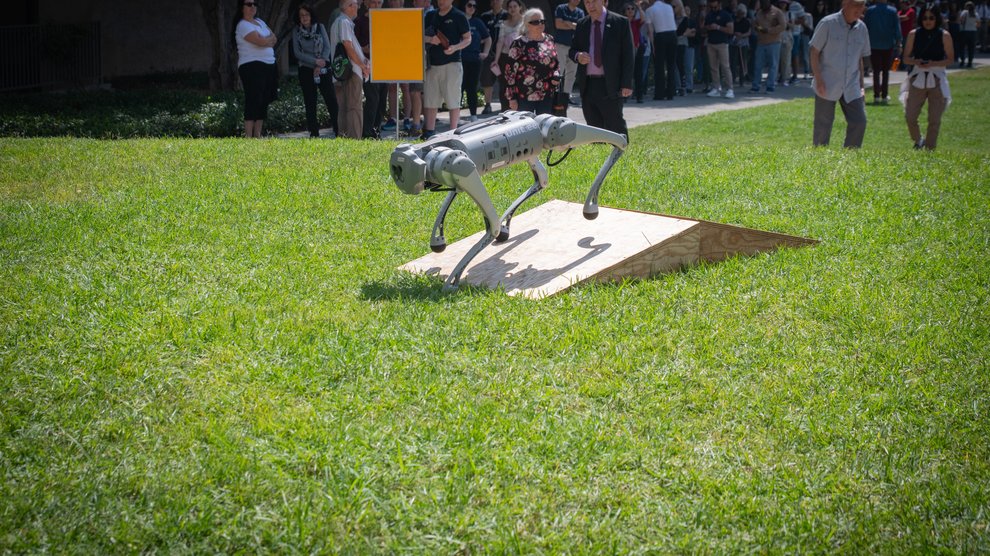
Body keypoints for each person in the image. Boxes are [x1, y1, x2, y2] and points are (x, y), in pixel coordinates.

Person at [809, 0, 871, 148]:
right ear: (845, 4)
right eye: (856, 4)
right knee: (823, 127)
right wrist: (819, 79)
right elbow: (814, 52)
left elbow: (859, 59)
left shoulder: (862, 28)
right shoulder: (828, 23)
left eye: (862, 5)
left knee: (859, 121)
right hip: (827, 82)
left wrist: (861, 86)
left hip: (852, 85)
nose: (860, 9)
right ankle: (819, 160)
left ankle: (850, 157)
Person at [569, 0, 636, 135]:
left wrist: (626, 83)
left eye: (594, 1)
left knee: (615, 125)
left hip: (610, 84)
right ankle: (599, 155)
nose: (590, 6)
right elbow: (572, 50)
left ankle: (620, 152)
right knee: (594, 128)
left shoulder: (620, 22)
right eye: (587, 2)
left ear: (605, 2)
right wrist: (578, 55)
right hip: (588, 84)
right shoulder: (582, 24)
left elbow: (628, 55)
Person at [900, 6, 954, 149]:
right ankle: (918, 140)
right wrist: (916, 62)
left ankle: (930, 148)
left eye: (931, 18)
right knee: (910, 116)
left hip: (937, 78)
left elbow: (950, 59)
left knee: (934, 118)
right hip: (918, 77)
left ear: (937, 18)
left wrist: (934, 64)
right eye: (924, 18)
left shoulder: (944, 35)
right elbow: (905, 58)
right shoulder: (913, 34)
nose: (928, 21)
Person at [423, 0, 472, 138]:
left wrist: (455, 48)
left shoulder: (459, 15)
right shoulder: (430, 15)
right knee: (430, 101)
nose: (441, 2)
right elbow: (419, 35)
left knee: (453, 101)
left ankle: (453, 133)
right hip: (432, 64)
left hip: (452, 63)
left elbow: (468, 39)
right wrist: (430, 39)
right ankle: (430, 132)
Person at [293, 4, 339, 138]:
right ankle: (314, 133)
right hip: (306, 69)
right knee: (310, 101)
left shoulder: (320, 27)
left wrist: (320, 64)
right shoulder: (296, 31)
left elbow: (327, 47)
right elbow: (297, 53)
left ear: (311, 15)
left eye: (306, 14)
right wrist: (314, 62)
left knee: (331, 99)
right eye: (301, 15)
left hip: (323, 67)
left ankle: (338, 130)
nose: (304, 17)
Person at [503, 9, 562, 113]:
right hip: (524, 95)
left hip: (547, 94)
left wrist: (556, 75)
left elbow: (556, 64)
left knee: (545, 127)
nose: (540, 24)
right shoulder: (519, 43)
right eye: (535, 22)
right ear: (527, 25)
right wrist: (511, 98)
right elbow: (510, 73)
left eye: (542, 21)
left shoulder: (550, 39)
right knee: (526, 128)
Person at [234, 0, 278, 138]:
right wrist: (266, 40)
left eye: (254, 4)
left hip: (269, 64)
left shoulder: (260, 22)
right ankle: (248, 136)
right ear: (242, 8)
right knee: (254, 98)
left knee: (264, 99)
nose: (252, 7)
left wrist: (266, 40)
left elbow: (274, 38)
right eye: (248, 4)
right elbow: (261, 41)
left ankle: (257, 135)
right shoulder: (242, 25)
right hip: (252, 65)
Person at [330, 0, 371, 139]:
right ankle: (355, 140)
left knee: (343, 107)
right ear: (349, 7)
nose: (358, 7)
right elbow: (348, 46)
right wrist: (362, 65)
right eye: (356, 4)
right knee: (354, 108)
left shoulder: (337, 22)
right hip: (351, 72)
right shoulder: (344, 22)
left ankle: (344, 139)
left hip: (340, 73)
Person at [355, 0, 387, 138]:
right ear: (367, 3)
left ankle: (376, 130)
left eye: (379, 2)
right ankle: (367, 132)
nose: (377, 5)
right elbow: (353, 45)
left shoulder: (385, 19)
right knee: (372, 99)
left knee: (382, 100)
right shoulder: (359, 22)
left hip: (384, 65)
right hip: (367, 65)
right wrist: (364, 49)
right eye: (374, 2)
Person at [864, 0, 902, 104]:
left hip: (873, 44)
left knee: (876, 71)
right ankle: (884, 95)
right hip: (888, 44)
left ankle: (876, 95)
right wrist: (899, 43)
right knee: (886, 71)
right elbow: (897, 29)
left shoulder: (870, 11)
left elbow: (865, 27)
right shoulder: (892, 11)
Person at [491, 0, 525, 110]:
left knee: (520, 84)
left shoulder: (526, 22)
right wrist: (496, 60)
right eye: (510, 7)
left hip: (522, 58)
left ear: (520, 7)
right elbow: (500, 42)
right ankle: (505, 110)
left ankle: (521, 110)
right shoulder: (503, 24)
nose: (512, 9)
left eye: (515, 6)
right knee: (504, 86)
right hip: (506, 58)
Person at [461, 0, 492, 121]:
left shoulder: (477, 22)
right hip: (459, 59)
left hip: (474, 60)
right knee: (460, 87)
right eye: (469, 5)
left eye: (474, 6)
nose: (472, 8)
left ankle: (473, 115)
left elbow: (488, 38)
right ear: (464, 6)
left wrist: (485, 53)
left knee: (472, 87)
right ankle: (456, 116)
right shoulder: (459, 20)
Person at [750, 0, 787, 93]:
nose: (763, 4)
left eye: (765, 2)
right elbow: (755, 23)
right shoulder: (759, 12)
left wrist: (769, 30)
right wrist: (757, 27)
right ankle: (756, 86)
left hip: (774, 42)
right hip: (761, 42)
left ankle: (770, 86)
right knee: (758, 65)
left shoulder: (777, 12)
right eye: (762, 2)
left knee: (773, 65)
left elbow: (783, 26)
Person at [554, 0, 587, 105]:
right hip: (561, 44)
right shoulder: (561, 8)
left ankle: (566, 96)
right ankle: (555, 95)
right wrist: (573, 25)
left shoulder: (580, 12)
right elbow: (558, 24)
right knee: (559, 71)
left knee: (571, 73)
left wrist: (567, 23)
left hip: (574, 47)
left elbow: (581, 28)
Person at [480, 0, 509, 113]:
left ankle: (505, 105)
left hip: (504, 53)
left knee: (504, 80)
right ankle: (488, 105)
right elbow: (481, 32)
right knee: (487, 80)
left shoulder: (507, 15)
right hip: (489, 53)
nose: (496, 1)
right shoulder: (485, 16)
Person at [646, 0, 679, 100]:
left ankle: (659, 93)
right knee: (671, 65)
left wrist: (653, 45)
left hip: (661, 35)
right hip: (673, 35)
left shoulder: (649, 10)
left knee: (659, 66)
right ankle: (671, 92)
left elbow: (650, 30)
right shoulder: (668, 7)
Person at [705, 0, 736, 97]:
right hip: (711, 43)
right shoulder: (709, 15)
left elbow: (731, 30)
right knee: (713, 67)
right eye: (711, 7)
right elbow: (705, 27)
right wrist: (709, 27)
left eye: (715, 7)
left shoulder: (726, 15)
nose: (713, 9)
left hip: (722, 44)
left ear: (719, 4)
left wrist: (718, 27)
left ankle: (730, 89)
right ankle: (716, 88)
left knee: (725, 67)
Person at [625, 2, 649, 101]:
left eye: (632, 9)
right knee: (626, 74)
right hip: (626, 51)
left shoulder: (636, 22)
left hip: (637, 50)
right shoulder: (622, 22)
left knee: (638, 74)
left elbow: (644, 19)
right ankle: (625, 96)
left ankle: (639, 96)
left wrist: (639, 7)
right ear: (625, 11)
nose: (630, 10)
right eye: (628, 9)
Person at [677, 5, 700, 93]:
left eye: (688, 10)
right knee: (679, 66)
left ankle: (689, 86)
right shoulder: (679, 21)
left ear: (690, 11)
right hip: (679, 46)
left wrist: (683, 34)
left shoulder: (692, 22)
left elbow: (693, 33)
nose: (686, 11)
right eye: (684, 10)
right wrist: (686, 33)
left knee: (689, 67)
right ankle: (679, 86)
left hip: (690, 46)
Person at [789, 0, 813, 83]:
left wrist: (791, 22)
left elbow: (803, 19)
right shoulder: (780, 4)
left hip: (795, 33)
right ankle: (784, 74)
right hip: (783, 33)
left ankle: (795, 75)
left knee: (794, 54)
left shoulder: (796, 5)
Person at [731, 4, 752, 87]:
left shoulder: (746, 21)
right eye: (740, 12)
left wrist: (741, 35)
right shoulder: (733, 20)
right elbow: (731, 30)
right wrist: (735, 34)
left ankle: (742, 80)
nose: (741, 14)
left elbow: (749, 32)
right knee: (733, 61)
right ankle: (732, 79)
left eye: (743, 13)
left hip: (743, 43)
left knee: (743, 62)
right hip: (734, 42)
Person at [959, 1, 979, 67]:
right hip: (973, 32)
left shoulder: (964, 12)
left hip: (965, 31)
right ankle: (970, 62)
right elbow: (978, 24)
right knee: (971, 48)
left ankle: (962, 61)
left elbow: (961, 20)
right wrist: (974, 25)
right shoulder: (976, 14)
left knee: (962, 47)